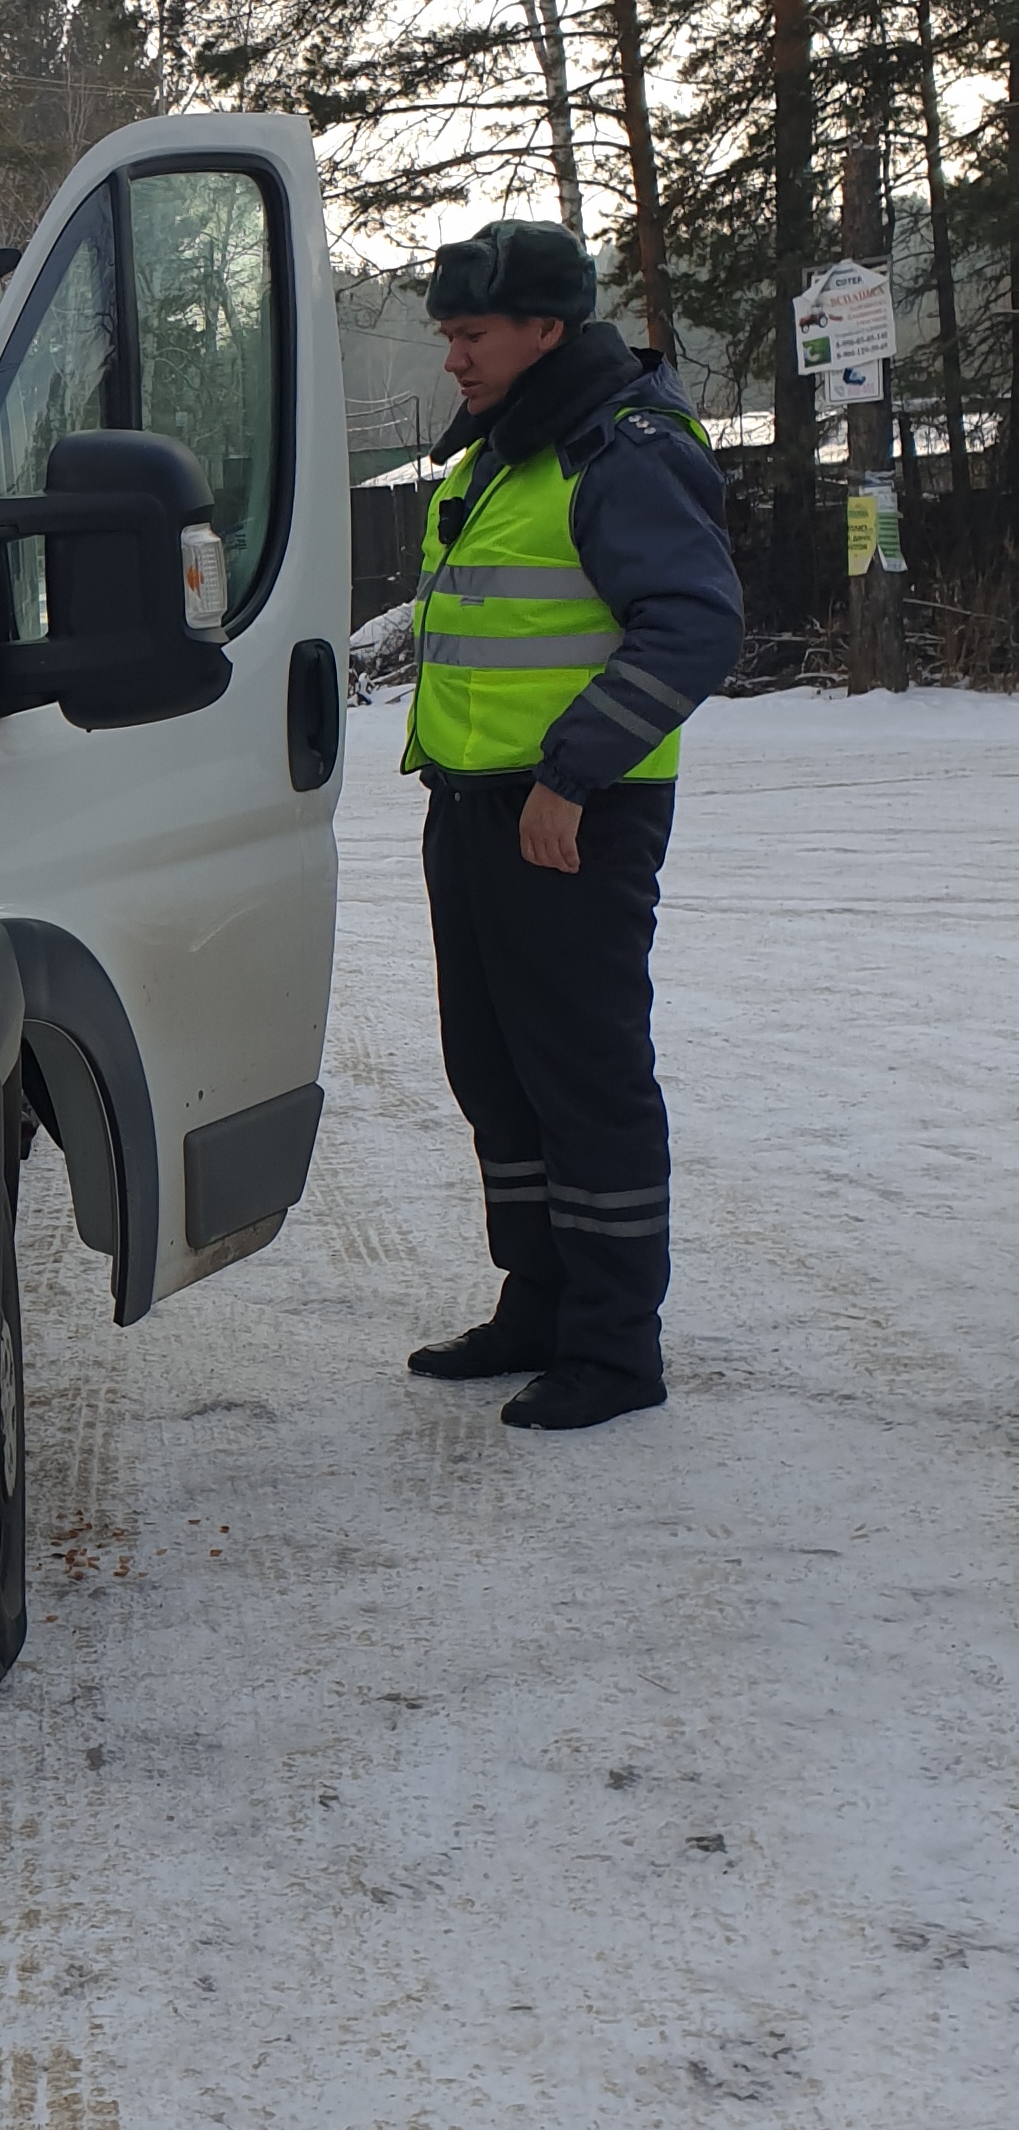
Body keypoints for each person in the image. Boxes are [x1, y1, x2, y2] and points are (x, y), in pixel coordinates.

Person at [403, 222, 743, 1431]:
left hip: (571, 818)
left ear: (548, 329)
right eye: (449, 335)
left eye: (471, 334)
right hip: (478, 807)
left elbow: (695, 625)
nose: (454, 357)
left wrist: (572, 778)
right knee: (495, 1070)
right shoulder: (507, 450)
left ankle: (614, 1346)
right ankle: (539, 1302)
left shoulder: (622, 448)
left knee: (584, 1077)